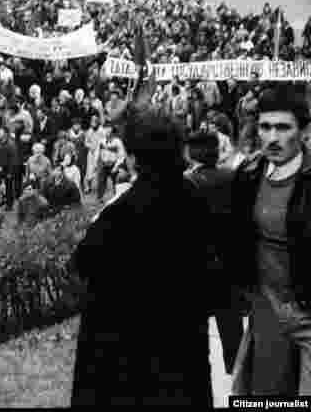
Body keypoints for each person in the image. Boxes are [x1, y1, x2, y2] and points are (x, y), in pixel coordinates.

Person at [71, 108, 216, 406]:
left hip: (128, 355)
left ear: (135, 157)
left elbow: (81, 263)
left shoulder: (120, 213)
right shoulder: (197, 199)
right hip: (183, 348)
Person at [230, 86, 311, 395]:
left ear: (302, 131)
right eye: (265, 127)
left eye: (283, 127)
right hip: (267, 313)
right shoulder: (248, 174)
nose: (272, 138)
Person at [184, 130, 244, 374]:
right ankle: (239, 380)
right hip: (229, 264)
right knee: (232, 329)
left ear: (190, 153)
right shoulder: (232, 177)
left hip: (196, 267)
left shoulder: (186, 182)